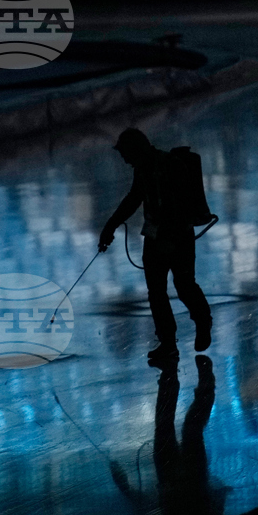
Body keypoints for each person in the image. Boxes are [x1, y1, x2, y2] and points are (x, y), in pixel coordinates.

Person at [98, 128, 212, 362]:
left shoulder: (171, 166)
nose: (125, 161)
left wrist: (170, 239)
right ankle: (168, 343)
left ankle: (202, 321)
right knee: (157, 293)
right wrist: (111, 226)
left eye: (126, 155)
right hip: (155, 238)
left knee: (183, 285)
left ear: (135, 150)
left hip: (178, 237)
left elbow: (180, 207)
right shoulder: (144, 168)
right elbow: (134, 199)